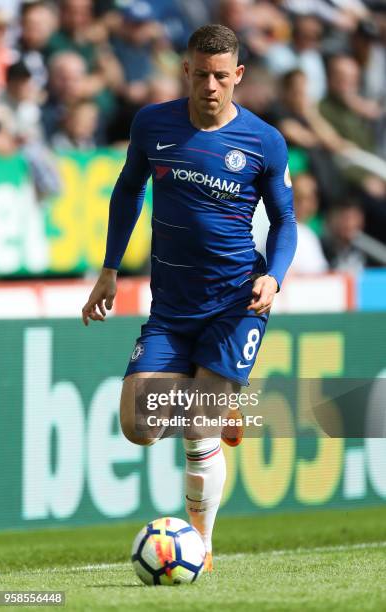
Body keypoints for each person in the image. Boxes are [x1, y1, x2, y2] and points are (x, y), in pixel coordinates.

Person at [81, 24, 297, 571]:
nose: (210, 85)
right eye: (200, 74)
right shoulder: (153, 124)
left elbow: (286, 219)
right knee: (138, 425)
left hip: (235, 303)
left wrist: (274, 275)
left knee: (198, 423)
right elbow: (128, 189)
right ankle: (224, 403)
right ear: (186, 70)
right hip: (171, 310)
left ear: (238, 76)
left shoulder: (263, 140)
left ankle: (200, 544)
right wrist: (109, 269)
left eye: (221, 76)